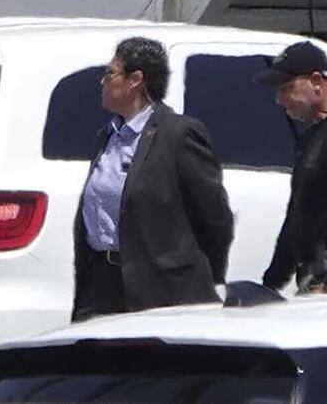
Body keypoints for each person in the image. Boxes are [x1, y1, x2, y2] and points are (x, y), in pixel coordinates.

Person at [72, 37, 234, 321]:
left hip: (162, 289)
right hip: (102, 284)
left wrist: (200, 272)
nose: (102, 81)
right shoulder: (106, 137)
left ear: (135, 80)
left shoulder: (178, 134)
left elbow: (215, 217)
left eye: (110, 73)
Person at [255, 41, 327, 294]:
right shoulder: (310, 140)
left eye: (287, 88)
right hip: (311, 279)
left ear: (316, 81)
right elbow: (297, 215)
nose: (279, 100)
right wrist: (271, 284)